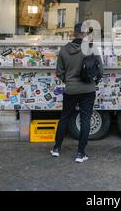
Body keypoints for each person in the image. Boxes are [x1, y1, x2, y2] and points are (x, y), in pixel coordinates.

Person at [51, 23, 104, 162]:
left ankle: (56, 148)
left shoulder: (63, 50)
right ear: (85, 34)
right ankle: (81, 153)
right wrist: (94, 83)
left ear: (73, 33)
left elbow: (59, 72)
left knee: (64, 118)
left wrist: (68, 82)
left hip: (71, 90)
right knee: (85, 119)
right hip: (88, 90)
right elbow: (101, 70)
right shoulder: (92, 48)